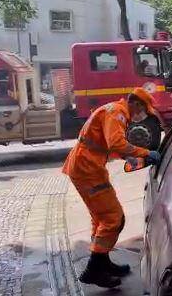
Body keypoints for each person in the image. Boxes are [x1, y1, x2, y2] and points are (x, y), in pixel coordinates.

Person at [62, 88, 160, 288]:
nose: (142, 115)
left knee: (102, 219)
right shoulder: (118, 113)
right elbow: (116, 143)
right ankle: (94, 270)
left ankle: (103, 263)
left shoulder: (114, 110)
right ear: (136, 104)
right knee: (113, 218)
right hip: (87, 169)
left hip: (87, 167)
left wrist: (134, 155)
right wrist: (145, 152)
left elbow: (108, 145)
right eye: (144, 110)